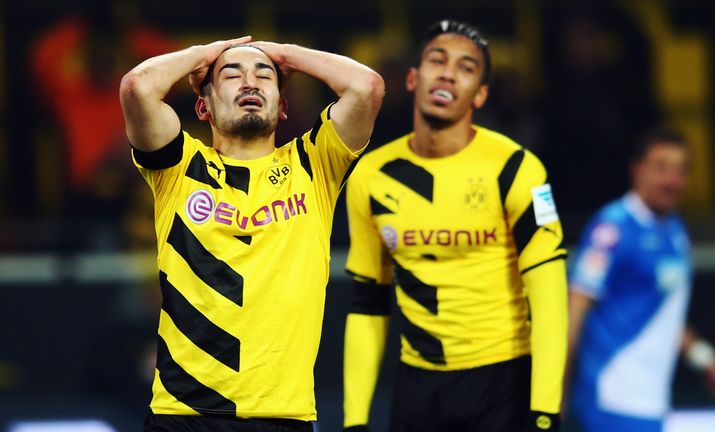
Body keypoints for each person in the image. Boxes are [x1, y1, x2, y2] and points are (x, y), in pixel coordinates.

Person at [119, 35, 384, 432]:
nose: (250, 83)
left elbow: (367, 86)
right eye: (232, 75)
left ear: (282, 108)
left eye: (264, 76)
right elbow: (139, 87)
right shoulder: (178, 167)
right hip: (183, 416)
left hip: (282, 415)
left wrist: (283, 54)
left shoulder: (314, 165)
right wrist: (204, 55)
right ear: (202, 105)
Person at [342, 20, 568, 432]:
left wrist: (546, 411)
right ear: (413, 78)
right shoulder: (370, 176)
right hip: (417, 389)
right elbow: (367, 303)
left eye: (466, 67)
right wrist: (355, 420)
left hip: (504, 383)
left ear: (480, 94)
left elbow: (550, 296)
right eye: (437, 60)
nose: (448, 72)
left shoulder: (517, 168)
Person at [567, 127, 715, 432]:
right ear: (637, 170)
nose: (672, 180)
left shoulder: (675, 230)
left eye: (681, 170)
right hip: (611, 399)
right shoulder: (613, 227)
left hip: (653, 402)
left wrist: (707, 361)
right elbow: (574, 310)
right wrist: (556, 391)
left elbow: (666, 317)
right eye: (662, 168)